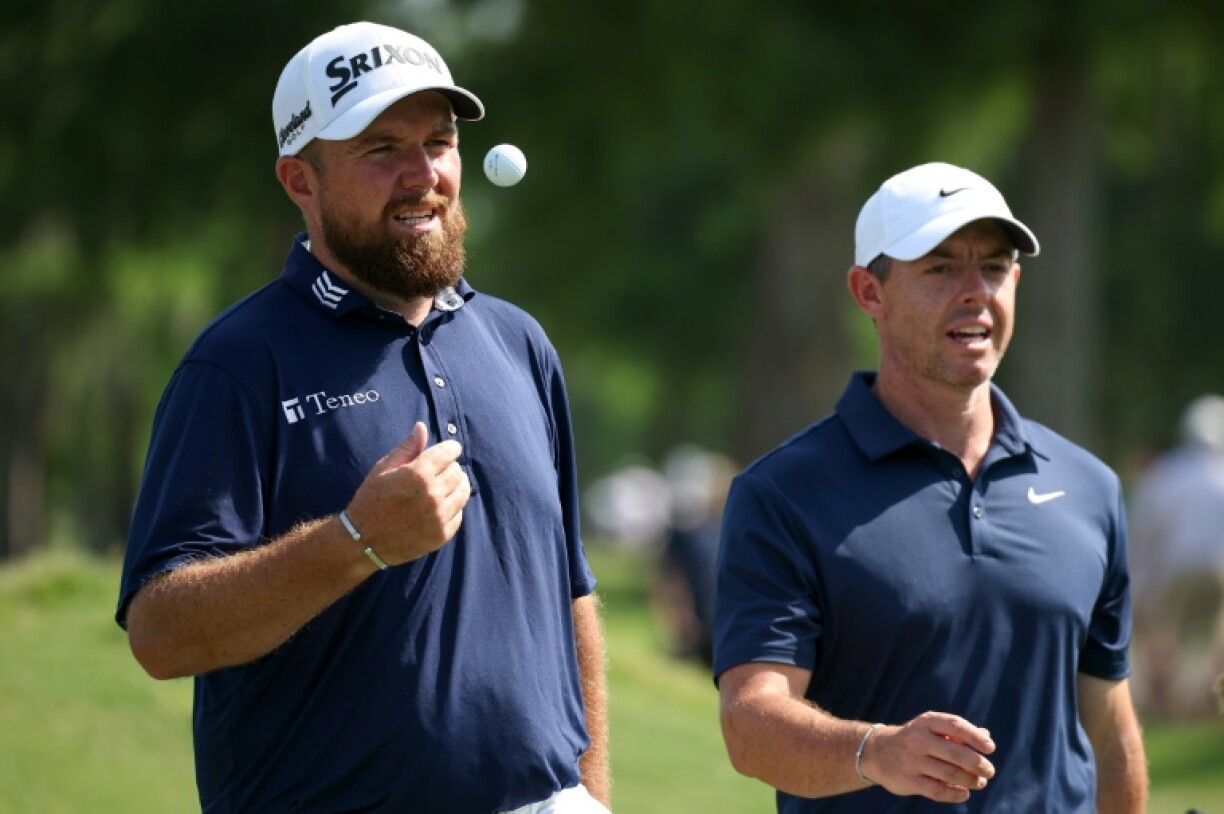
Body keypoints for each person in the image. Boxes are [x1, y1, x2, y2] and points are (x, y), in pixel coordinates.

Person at [116, 22, 609, 814]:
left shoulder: (519, 342)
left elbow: (570, 594)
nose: (424, 175)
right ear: (299, 180)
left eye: (439, 142)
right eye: (382, 149)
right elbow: (161, 633)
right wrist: (355, 542)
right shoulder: (238, 364)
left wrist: (589, 794)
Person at [713, 162, 1148, 812]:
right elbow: (751, 724)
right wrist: (877, 752)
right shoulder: (783, 494)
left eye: (995, 267)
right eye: (941, 268)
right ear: (869, 292)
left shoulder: (1089, 487)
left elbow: (1108, 729)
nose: (976, 291)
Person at [1128, 394, 1224, 718]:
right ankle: (1197, 706)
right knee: (1203, 642)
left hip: (1177, 571)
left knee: (1171, 638)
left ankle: (1178, 708)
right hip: (1217, 569)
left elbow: (1146, 531)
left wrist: (1142, 579)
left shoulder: (1167, 473)